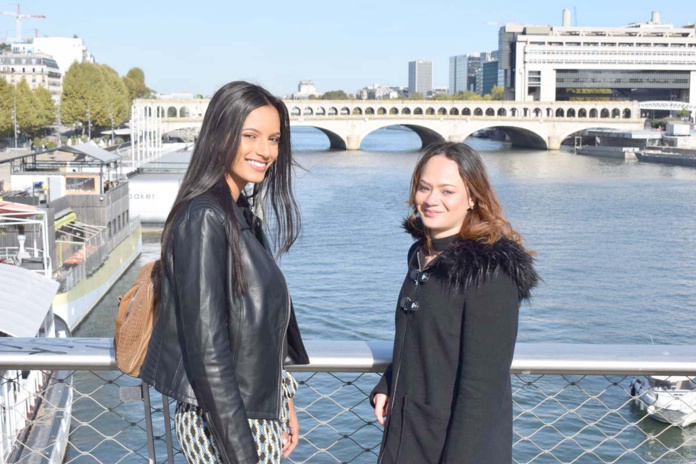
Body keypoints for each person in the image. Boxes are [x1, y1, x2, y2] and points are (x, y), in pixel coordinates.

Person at [141, 81, 309, 464]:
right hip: (226, 423)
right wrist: (242, 453)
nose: (265, 151)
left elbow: (253, 333)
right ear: (220, 134)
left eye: (273, 138)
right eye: (250, 136)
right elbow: (207, 351)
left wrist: (282, 402)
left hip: (251, 413)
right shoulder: (204, 217)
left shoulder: (237, 213)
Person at [371, 142, 539, 464]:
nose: (431, 200)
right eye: (424, 187)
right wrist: (390, 381)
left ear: (472, 197)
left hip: (452, 447)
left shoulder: (488, 271)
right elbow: (425, 341)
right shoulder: (421, 255)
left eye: (447, 191)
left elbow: (482, 391)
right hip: (407, 434)